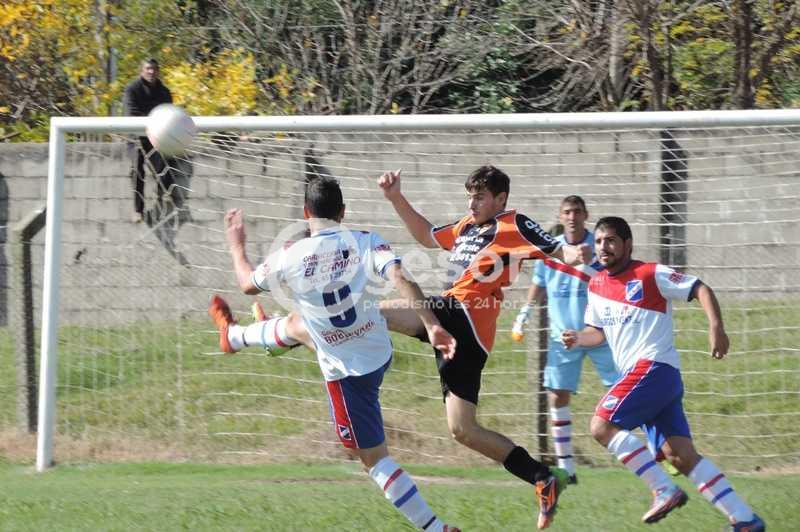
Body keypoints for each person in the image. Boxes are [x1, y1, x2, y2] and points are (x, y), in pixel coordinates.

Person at [235, 166, 592, 530]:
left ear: (501, 199)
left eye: (480, 197)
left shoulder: (512, 223)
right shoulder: (468, 226)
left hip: (463, 313)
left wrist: (580, 254)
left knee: (368, 313)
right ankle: (541, 477)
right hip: (464, 334)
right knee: (463, 429)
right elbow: (426, 235)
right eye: (470, 196)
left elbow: (558, 249)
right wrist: (395, 197)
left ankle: (284, 334)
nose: (472, 203)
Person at [208, 177, 461, 532]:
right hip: (377, 350)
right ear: (343, 212)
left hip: (347, 373)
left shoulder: (289, 255)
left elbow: (247, 284)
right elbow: (400, 276)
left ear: (305, 213)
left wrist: (237, 246)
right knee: (298, 324)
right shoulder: (365, 240)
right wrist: (431, 325)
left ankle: (436, 528)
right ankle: (235, 337)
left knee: (373, 460)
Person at [561, 216, 764, 531]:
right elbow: (596, 333)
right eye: (599, 241)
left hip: (653, 368)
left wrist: (716, 327)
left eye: (611, 240)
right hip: (652, 379)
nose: (603, 247)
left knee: (601, 425)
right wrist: (577, 338)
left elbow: (699, 288)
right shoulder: (597, 284)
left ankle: (663, 489)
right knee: (678, 455)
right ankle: (745, 519)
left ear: (628, 244)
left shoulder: (650, 273)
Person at [512, 196, 618, 484]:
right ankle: (567, 469)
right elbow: (539, 284)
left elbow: (613, 281)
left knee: (626, 391)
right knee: (557, 395)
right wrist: (523, 313)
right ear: (561, 216)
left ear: (586, 215)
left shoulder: (599, 246)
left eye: (577, 212)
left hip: (599, 333)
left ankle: (659, 450)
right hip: (564, 338)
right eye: (567, 212)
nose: (572, 217)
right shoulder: (551, 249)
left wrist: (590, 263)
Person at [123, 58, 175, 224]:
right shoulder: (132, 89)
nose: (151, 72)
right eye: (148, 68)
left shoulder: (164, 92)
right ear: (142, 70)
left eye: (154, 69)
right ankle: (138, 210)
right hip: (137, 136)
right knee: (137, 168)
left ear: (158, 71)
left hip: (157, 135)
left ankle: (164, 195)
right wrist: (153, 119)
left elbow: (169, 114)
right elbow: (131, 113)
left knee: (166, 163)